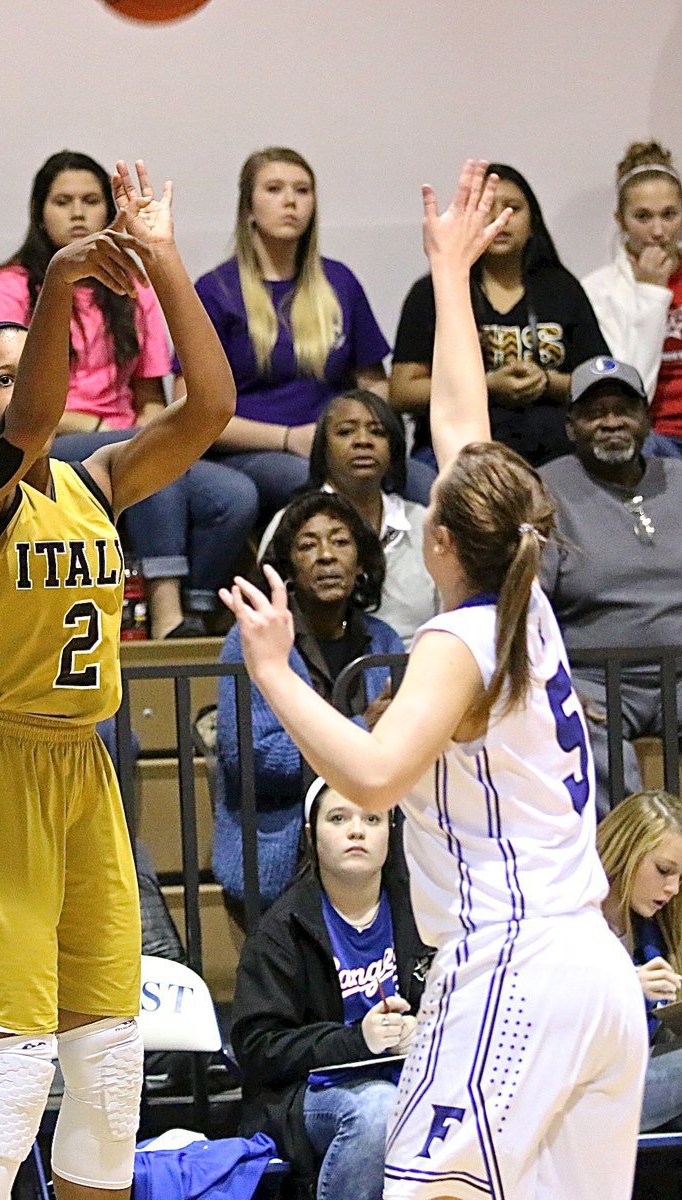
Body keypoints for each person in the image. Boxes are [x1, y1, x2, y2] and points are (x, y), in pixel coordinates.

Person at [221, 160, 647, 1199]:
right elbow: (465, 425)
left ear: (441, 541)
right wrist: (447, 274)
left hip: (511, 970)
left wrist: (275, 671)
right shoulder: (527, 602)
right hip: (593, 977)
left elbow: (368, 777)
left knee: (422, 1193)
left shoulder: (456, 644)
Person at [0, 160, 236, 1200]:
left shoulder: (99, 481)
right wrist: (57, 287)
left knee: (112, 1060)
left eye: (25, 370)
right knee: (17, 1071)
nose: (20, 389)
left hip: (81, 768)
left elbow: (210, 406)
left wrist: (165, 260)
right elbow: (29, 426)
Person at [0, 150, 257, 637]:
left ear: (108, 210)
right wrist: (111, 429)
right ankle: (168, 614)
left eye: (90, 200)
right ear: (40, 212)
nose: (78, 213)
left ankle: (199, 613)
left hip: (119, 431)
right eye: (63, 202)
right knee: (139, 455)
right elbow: (9, 402)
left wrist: (152, 426)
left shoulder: (130, 285)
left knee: (233, 494)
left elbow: (149, 395)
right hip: (47, 439)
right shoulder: (9, 287)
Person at [231, 776, 431, 1199]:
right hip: (308, 1095)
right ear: (311, 834)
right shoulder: (281, 930)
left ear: (389, 832)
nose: (356, 830)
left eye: (372, 818)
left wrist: (424, 1034)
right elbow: (258, 1047)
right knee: (377, 1110)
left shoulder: (422, 914)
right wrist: (357, 1041)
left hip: (413, 1078)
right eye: (339, 818)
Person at [175, 147, 390, 519]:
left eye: (302, 190)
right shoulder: (216, 290)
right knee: (314, 485)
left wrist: (363, 434)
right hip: (250, 451)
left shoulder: (340, 282)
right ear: (248, 208)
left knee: (424, 482)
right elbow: (188, 407)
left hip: (336, 445)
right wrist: (288, 439)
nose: (290, 201)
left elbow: (374, 384)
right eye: (274, 189)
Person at [214, 490, 402, 914]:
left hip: (373, 858)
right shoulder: (251, 639)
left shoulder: (384, 639)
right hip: (281, 863)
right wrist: (361, 730)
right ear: (288, 568)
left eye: (340, 541)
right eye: (307, 544)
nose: (326, 556)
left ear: (361, 561)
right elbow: (254, 757)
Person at [391, 162, 610, 469]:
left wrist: (547, 381)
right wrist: (487, 384)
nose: (500, 219)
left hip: (556, 450)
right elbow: (401, 391)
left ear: (532, 221)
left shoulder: (562, 288)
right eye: (487, 208)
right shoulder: (436, 290)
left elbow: (600, 377)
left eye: (513, 208)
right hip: (458, 454)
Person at [539, 355, 682, 813]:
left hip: (680, 672)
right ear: (571, 427)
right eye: (594, 413)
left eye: (623, 410)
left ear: (646, 418)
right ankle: (628, 865)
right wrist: (554, 681)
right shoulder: (544, 491)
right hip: (595, 678)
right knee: (576, 723)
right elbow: (526, 603)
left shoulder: (679, 480)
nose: (610, 422)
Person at [257, 391, 439, 644]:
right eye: (345, 432)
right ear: (322, 448)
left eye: (377, 432)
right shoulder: (290, 523)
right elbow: (265, 620)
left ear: (394, 447)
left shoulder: (424, 523)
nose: (363, 441)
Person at [582, 141, 682, 453]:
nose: (658, 231)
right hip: (648, 436)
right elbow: (628, 391)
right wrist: (652, 293)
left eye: (669, 215)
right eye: (643, 216)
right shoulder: (599, 290)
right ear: (620, 220)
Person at [597, 789, 682, 1133]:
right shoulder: (566, 921)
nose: (673, 887)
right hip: (584, 1092)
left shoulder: (654, 931)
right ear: (626, 851)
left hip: (636, 1080)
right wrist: (624, 987)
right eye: (664, 870)